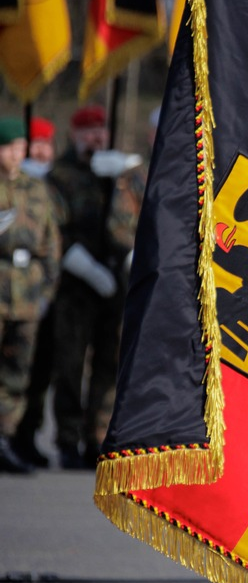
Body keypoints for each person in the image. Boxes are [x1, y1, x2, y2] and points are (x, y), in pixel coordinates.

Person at [46, 104, 139, 469]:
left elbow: (139, 214)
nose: (96, 137)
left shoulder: (120, 175)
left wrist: (125, 173)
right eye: (88, 131)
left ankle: (96, 437)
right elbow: (55, 228)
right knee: (69, 364)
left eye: (101, 130)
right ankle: (67, 438)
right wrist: (85, 267)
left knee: (109, 363)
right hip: (76, 286)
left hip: (117, 284)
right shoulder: (61, 175)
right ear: (74, 135)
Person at [0, 117, 60, 474]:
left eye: (21, 148)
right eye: (10, 148)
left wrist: (45, 292)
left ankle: (4, 439)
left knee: (16, 373)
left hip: (25, 299)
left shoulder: (36, 189)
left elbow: (51, 244)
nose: (17, 155)